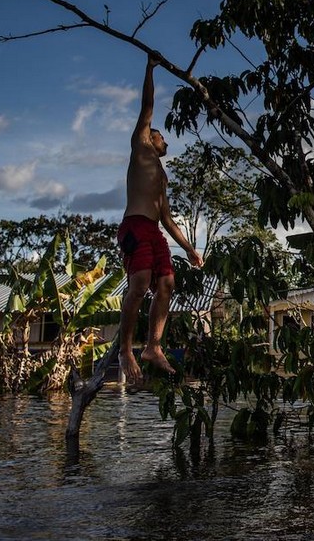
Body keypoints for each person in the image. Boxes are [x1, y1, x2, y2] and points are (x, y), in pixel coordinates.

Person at [117, 54, 203, 385]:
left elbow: (167, 217)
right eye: (162, 136)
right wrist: (150, 69)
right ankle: (126, 350)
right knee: (139, 285)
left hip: (153, 229)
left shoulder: (161, 175)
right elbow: (147, 106)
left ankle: (153, 345)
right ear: (150, 137)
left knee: (166, 283)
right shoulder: (140, 146)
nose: (166, 140)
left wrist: (189, 249)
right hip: (134, 225)